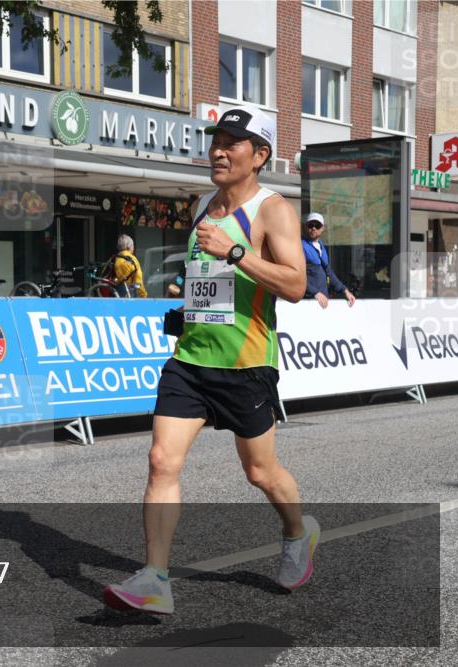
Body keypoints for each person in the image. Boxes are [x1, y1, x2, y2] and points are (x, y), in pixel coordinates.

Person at [105, 106, 319, 615]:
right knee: (161, 461)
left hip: (246, 364)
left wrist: (235, 253)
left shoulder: (274, 210)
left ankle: (298, 530)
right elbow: (213, 281)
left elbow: (296, 285)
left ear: (260, 155)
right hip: (191, 360)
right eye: (216, 140)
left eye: (233, 143)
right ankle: (155, 578)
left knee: (261, 472)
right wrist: (189, 307)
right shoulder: (201, 203)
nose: (218, 150)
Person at [302, 212, 356, 308]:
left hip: (322, 302)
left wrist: (345, 291)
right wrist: (315, 293)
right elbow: (297, 277)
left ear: (322, 228)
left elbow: (329, 272)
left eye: (317, 225)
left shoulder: (321, 246)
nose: (313, 228)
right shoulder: (301, 246)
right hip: (308, 302)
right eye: (310, 225)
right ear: (306, 227)